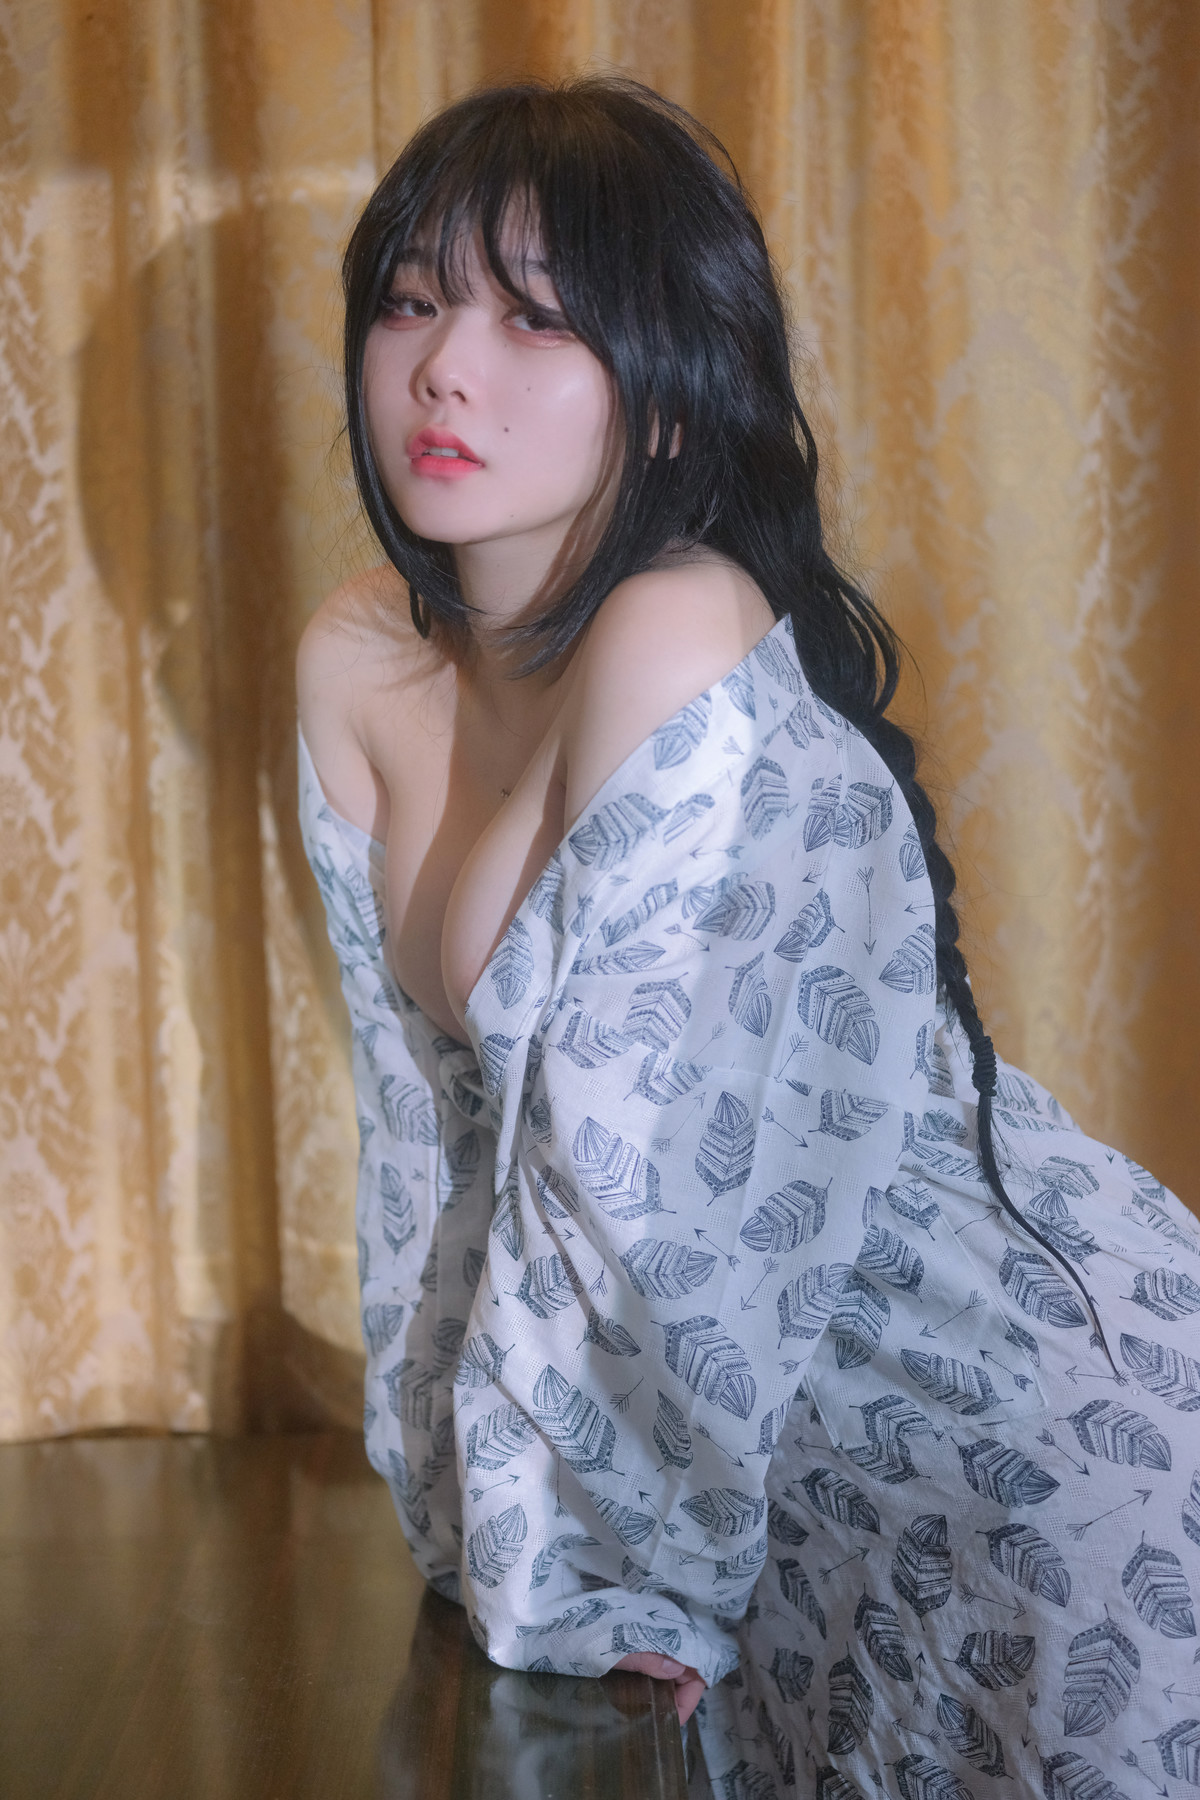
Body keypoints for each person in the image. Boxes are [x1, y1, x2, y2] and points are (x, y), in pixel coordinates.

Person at [297, 76, 1200, 1800]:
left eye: (535, 318)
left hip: (978, 1393)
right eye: (410, 301)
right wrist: (472, 1517)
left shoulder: (678, 629)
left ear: (669, 401)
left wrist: (589, 1568)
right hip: (731, 1450)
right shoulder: (359, 658)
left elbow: (660, 1218)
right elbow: (432, 1150)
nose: (444, 368)